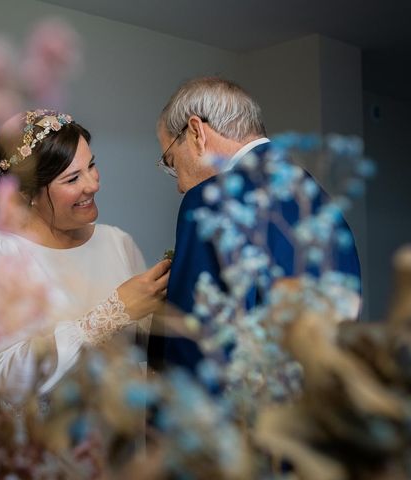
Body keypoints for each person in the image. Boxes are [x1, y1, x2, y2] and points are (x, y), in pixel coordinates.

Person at [148, 77, 361, 373]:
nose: (180, 186)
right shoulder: (314, 195)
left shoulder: (210, 198)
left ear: (196, 132)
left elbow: (197, 345)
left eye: (171, 161)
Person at [0, 109, 170, 403]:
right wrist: (110, 315)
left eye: (92, 166)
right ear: (28, 193)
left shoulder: (117, 241)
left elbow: (137, 348)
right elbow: (6, 377)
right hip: (51, 440)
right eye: (73, 178)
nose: (93, 184)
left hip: (120, 432)